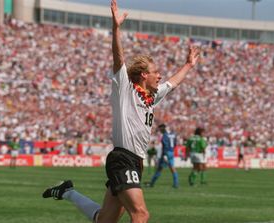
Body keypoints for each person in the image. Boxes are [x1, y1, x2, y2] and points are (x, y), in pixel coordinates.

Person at [42, 0, 200, 222]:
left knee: (104, 220)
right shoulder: (124, 87)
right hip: (122, 158)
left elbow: (173, 83)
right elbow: (119, 58)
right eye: (156, 72)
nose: (160, 76)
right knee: (141, 214)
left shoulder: (152, 96)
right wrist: (116, 28)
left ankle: (67, 192)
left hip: (136, 161)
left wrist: (188, 65)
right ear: (143, 75)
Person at [148, 124, 179, 188]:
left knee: (159, 169)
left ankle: (151, 183)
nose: (160, 131)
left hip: (166, 153)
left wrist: (165, 155)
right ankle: (176, 184)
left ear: (162, 129)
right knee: (173, 169)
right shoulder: (173, 134)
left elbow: (165, 145)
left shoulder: (165, 136)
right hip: (171, 152)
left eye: (160, 130)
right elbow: (175, 144)